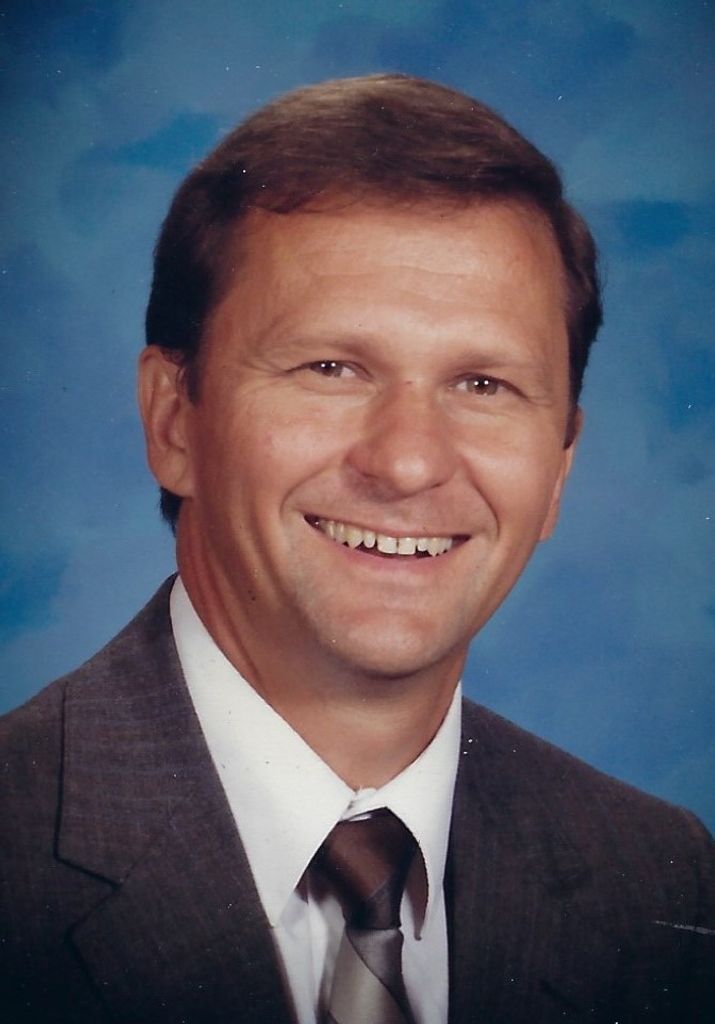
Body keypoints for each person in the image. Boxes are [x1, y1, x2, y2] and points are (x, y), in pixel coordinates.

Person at [1, 74, 713, 1024]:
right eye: (330, 367)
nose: (409, 462)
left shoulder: (660, 883)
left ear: (558, 469)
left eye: (483, 384)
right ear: (174, 421)